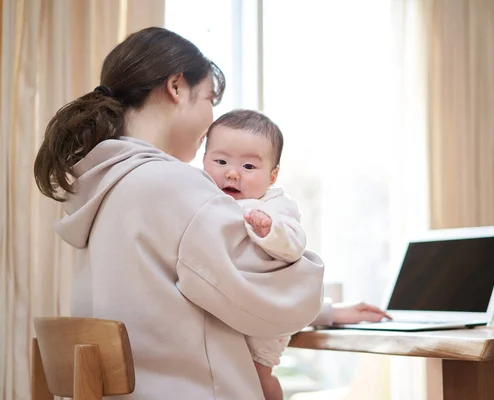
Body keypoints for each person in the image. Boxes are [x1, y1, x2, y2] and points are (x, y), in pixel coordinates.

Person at [33, 27, 325, 400]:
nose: (211, 118)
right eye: (208, 98)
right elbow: (276, 301)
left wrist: (330, 311)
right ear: (176, 87)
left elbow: (202, 284)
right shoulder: (171, 184)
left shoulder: (96, 184)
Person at [203, 109, 391, 400]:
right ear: (204, 161)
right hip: (236, 309)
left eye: (249, 166)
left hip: (268, 320)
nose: (232, 172)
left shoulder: (275, 206)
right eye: (220, 161)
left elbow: (294, 244)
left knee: (259, 375)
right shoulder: (206, 198)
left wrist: (269, 230)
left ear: (272, 176)